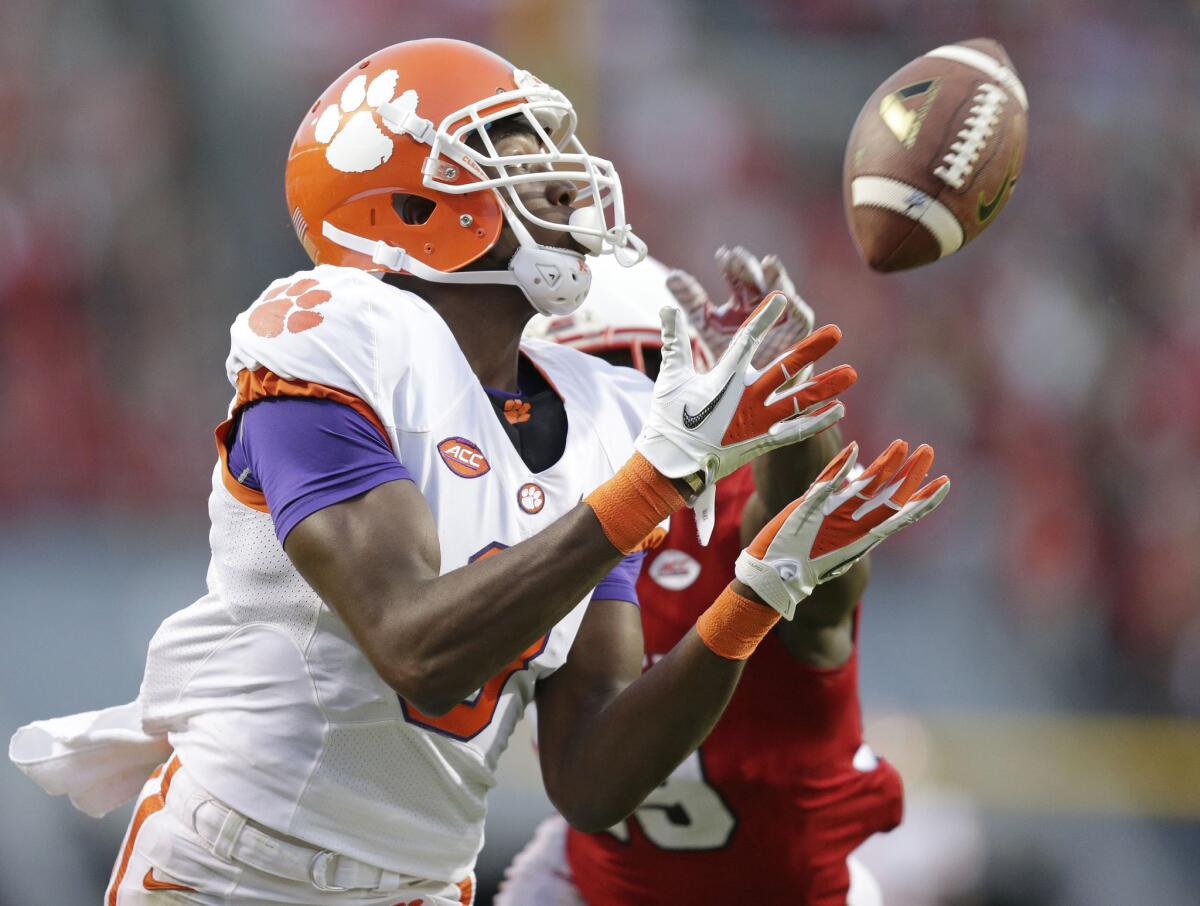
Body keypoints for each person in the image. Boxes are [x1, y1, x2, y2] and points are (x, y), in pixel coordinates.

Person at [9, 40, 944, 906]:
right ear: (411, 204)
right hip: (235, 872)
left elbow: (590, 777)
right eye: (517, 144)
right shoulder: (329, 336)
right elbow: (415, 645)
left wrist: (757, 591)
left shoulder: (600, 414)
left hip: (424, 886)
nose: (562, 168)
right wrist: (655, 480)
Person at [500, 249, 918, 905]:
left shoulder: (736, 514)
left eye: (617, 371)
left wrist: (782, 409)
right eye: (549, 387)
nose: (588, 408)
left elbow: (815, 572)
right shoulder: (523, 519)